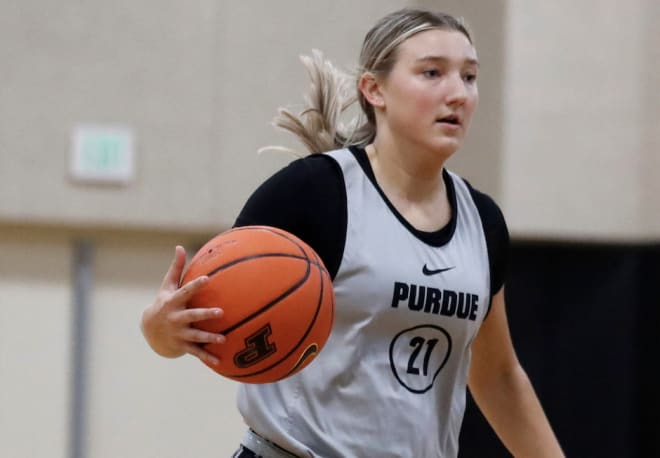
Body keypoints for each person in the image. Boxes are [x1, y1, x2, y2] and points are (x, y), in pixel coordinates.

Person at [141, 8, 564, 458]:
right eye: (432, 73)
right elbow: (195, 325)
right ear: (374, 89)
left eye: (470, 76)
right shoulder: (312, 193)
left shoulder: (482, 221)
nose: (457, 93)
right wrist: (160, 330)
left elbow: (497, 374)